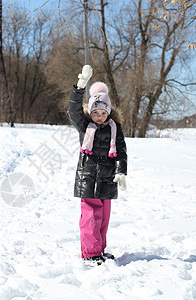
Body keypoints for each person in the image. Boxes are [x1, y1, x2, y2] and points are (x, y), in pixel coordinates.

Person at [68, 65, 128, 265]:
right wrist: (80, 87)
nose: (100, 116)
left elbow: (120, 151)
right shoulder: (85, 126)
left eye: (103, 112)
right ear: (90, 113)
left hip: (107, 178)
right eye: (96, 112)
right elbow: (74, 110)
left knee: (103, 217)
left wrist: (121, 172)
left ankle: (99, 249)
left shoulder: (114, 128)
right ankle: (90, 252)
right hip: (88, 177)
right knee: (91, 218)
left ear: (109, 112)